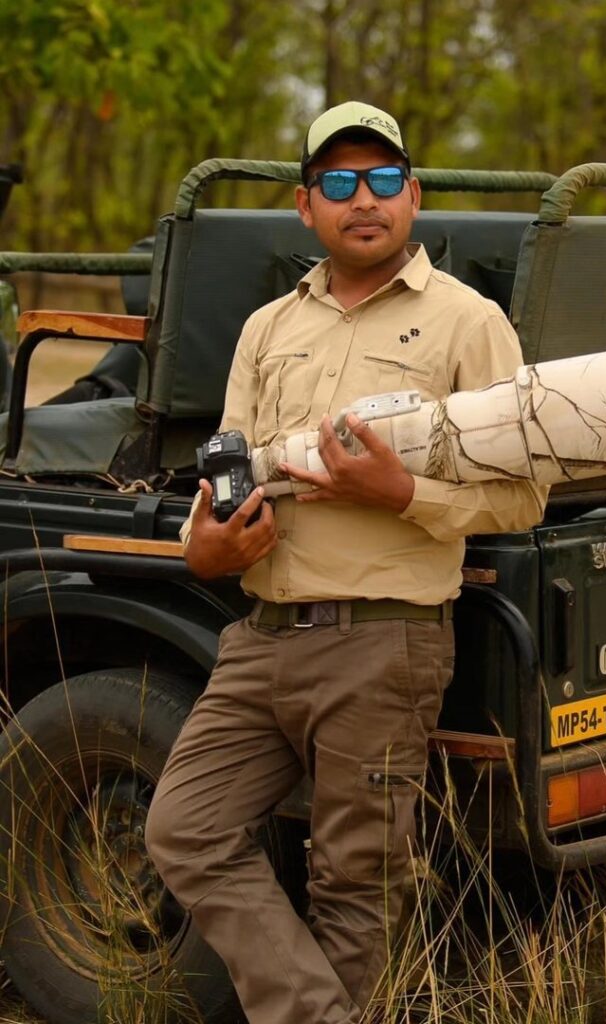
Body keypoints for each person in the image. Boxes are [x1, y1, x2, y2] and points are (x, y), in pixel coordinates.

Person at [145, 100, 547, 1024]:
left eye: (378, 181)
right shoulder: (266, 328)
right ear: (305, 205)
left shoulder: (467, 324)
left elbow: (521, 498)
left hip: (382, 644)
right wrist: (201, 546)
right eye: (336, 182)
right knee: (185, 830)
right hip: (261, 637)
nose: (359, 199)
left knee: (353, 889)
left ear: (412, 195)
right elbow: (226, 468)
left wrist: (399, 495)